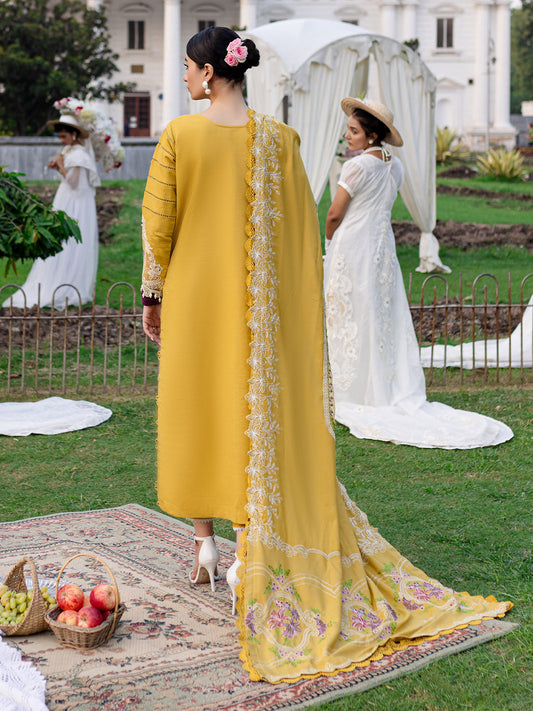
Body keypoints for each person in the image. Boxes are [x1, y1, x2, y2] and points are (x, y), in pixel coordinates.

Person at [141, 28, 511, 684]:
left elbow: (158, 222)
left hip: (196, 300)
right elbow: (300, 232)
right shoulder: (281, 142)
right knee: (251, 419)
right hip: (259, 313)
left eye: (191, 69)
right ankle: (246, 554)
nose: (188, 78)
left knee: (201, 412)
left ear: (207, 73)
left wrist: (153, 294)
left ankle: (204, 545)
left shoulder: (178, 136)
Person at [324, 98, 513, 449]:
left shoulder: (356, 167)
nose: (347, 136)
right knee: (379, 314)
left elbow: (335, 213)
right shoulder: (395, 167)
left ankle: (351, 387)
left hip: (352, 246)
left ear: (371, 135)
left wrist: (329, 239)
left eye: (353, 131)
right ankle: (377, 383)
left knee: (349, 312)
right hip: (382, 248)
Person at [3, 114, 100, 310]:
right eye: (60, 136)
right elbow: (68, 179)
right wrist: (59, 166)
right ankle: (59, 276)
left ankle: (70, 281)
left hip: (76, 202)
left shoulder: (79, 155)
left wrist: (61, 165)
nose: (62, 140)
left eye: (64, 136)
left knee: (72, 241)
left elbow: (74, 183)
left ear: (74, 134)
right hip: (67, 198)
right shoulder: (69, 150)